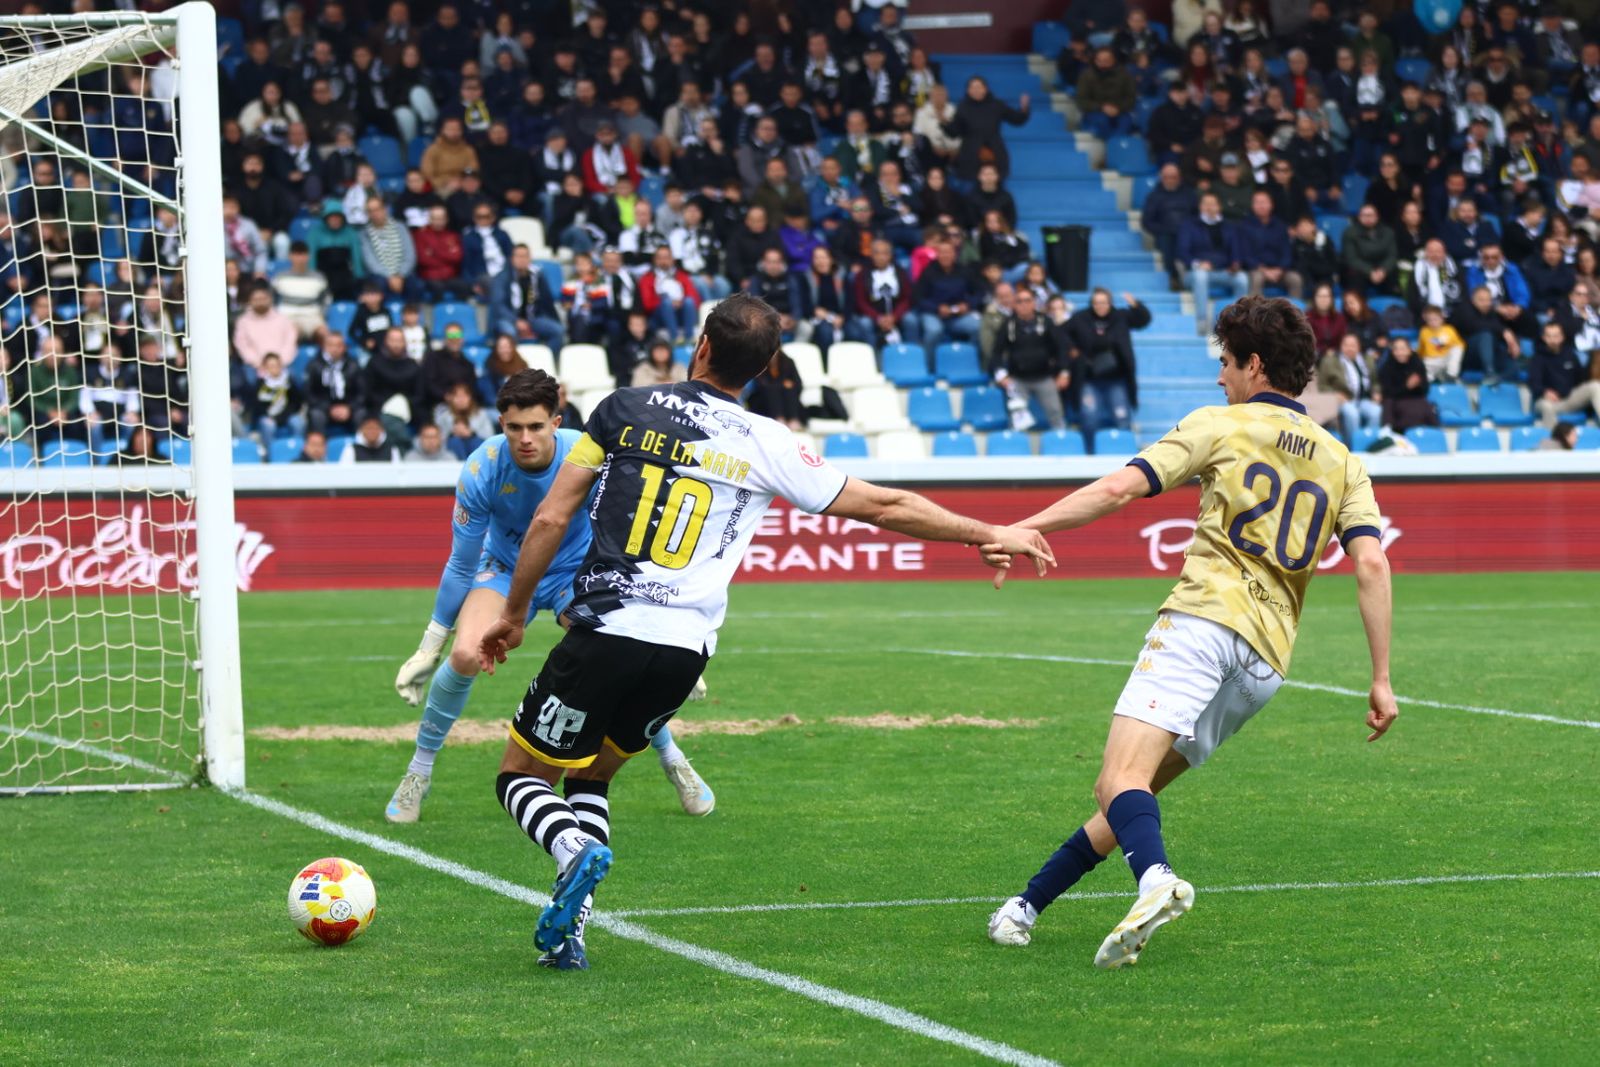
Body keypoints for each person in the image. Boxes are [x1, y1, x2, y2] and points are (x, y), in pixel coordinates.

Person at [475, 295, 1054, 970]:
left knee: (519, 775)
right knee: (593, 779)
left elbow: (549, 520)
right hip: (685, 651)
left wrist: (512, 614)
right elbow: (887, 505)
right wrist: (990, 531)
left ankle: (571, 850)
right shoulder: (766, 442)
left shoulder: (620, 409)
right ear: (769, 365)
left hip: (608, 627)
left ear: (699, 346)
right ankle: (572, 933)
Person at [983, 295, 1396, 967]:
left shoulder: (1220, 425)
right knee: (1133, 794)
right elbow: (1372, 562)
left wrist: (1024, 527)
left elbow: (1120, 488)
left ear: (1255, 364)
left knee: (1118, 779)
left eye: (1227, 362)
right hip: (1266, 662)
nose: (1219, 377)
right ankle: (1025, 906)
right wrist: (1379, 677)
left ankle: (1157, 881)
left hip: (1204, 621)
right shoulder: (1344, 460)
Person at [389, 369, 716, 830]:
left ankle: (673, 759)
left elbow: (631, 531)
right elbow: (462, 565)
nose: (525, 439)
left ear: (556, 421)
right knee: (464, 654)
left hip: (572, 571)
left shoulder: (587, 452)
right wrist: (430, 645)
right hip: (502, 570)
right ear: (500, 424)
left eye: (536, 427)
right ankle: (417, 774)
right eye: (513, 428)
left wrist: (660, 630)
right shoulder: (481, 469)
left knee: (616, 659)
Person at [1064, 288, 1151, 449]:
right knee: (1089, 417)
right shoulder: (1080, 318)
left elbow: (1143, 320)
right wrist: (1072, 349)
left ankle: (1126, 454)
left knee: (1122, 417)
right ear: (1092, 303)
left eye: (1103, 302)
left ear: (1110, 303)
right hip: (1089, 379)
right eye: (1096, 303)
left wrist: (1136, 305)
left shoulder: (1120, 316)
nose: (1100, 306)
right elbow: (1062, 334)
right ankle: (1090, 452)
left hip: (1116, 379)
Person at [991, 288, 1069, 431]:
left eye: (1028, 300)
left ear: (1034, 303)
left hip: (1044, 377)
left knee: (1056, 414)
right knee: (1016, 420)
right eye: (1019, 301)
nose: (1024, 304)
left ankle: (1061, 446)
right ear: (1014, 305)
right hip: (1018, 379)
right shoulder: (1008, 324)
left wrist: (1063, 373)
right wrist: (1001, 375)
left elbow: (1061, 348)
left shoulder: (1046, 322)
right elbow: (996, 352)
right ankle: (1017, 450)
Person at [1176, 191, 1248, 336]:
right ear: (1200, 207)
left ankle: (1238, 321)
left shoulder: (1229, 227)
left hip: (1223, 272)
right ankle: (1202, 322)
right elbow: (1182, 252)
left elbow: (1236, 251)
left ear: (1219, 206)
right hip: (1195, 273)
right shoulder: (1189, 225)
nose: (1209, 207)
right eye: (1206, 204)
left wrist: (1235, 264)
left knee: (1242, 278)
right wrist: (1198, 264)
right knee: (1201, 276)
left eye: (1213, 204)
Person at [1531, 321, 1600, 427]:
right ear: (1544, 338)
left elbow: (1581, 379)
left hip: (1569, 399)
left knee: (1595, 386)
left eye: (1556, 336)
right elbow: (1534, 384)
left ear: (1562, 337)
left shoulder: (1570, 355)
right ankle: (1555, 440)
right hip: (1547, 401)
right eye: (1549, 336)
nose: (1552, 340)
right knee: (1546, 406)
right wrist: (1544, 392)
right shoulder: (1537, 358)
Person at [1320, 333, 1382, 443]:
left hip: (1363, 399)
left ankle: (1370, 445)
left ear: (1359, 347)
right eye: (1346, 345)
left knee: (1376, 411)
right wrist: (1335, 394)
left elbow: (1375, 382)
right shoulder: (1330, 361)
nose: (1349, 348)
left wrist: (1376, 393)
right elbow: (1322, 385)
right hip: (1343, 400)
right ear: (1340, 346)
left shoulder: (1367, 360)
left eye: (1353, 345)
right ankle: (1352, 448)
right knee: (1352, 413)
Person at [1377, 337, 1436, 434]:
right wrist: (1407, 387)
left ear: (1409, 350)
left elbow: (1425, 388)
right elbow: (1387, 392)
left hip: (1418, 400)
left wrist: (1419, 384)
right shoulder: (1387, 367)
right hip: (1396, 401)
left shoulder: (1417, 364)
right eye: (1396, 349)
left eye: (1403, 349)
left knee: (1427, 410)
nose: (1400, 352)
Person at [1417, 304, 1465, 381]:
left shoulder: (1450, 330)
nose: (1433, 322)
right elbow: (1421, 349)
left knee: (1457, 349)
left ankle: (1451, 375)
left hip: (1445, 359)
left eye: (1435, 319)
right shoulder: (1424, 331)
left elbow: (1460, 345)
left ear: (1442, 319)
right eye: (1430, 320)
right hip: (1431, 360)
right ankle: (1432, 378)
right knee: (1423, 371)